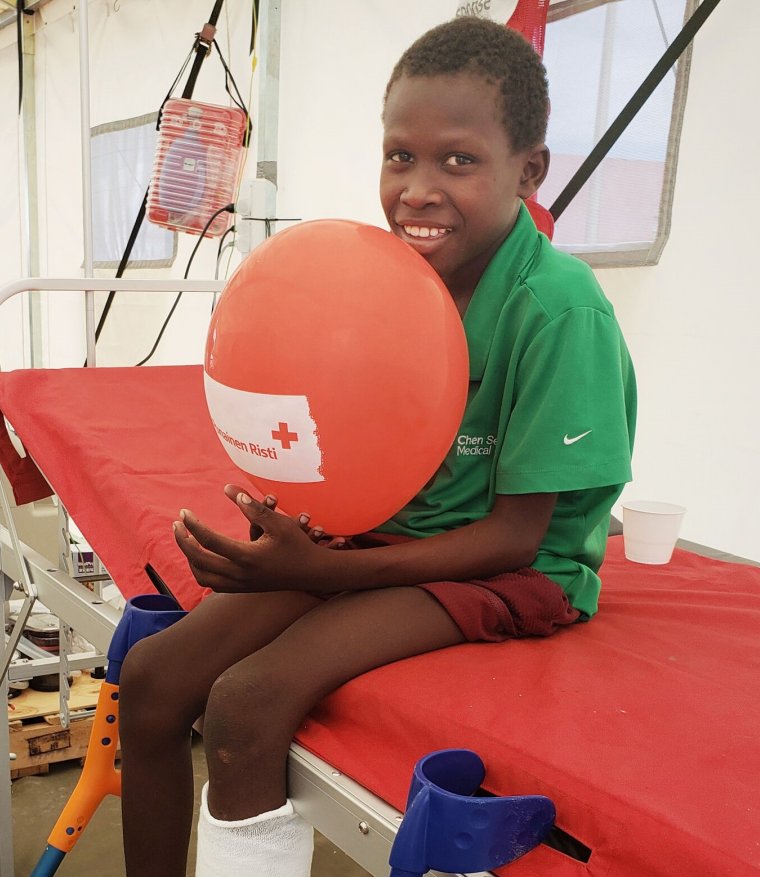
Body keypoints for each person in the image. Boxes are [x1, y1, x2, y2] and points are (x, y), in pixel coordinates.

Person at [118, 16, 636, 877]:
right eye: (400, 156)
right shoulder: (384, 283)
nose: (418, 190)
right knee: (152, 678)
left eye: (458, 160)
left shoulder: (559, 311)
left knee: (246, 703)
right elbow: (354, 438)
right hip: (389, 533)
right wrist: (297, 533)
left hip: (516, 569)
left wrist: (321, 571)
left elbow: (516, 539)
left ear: (529, 170)